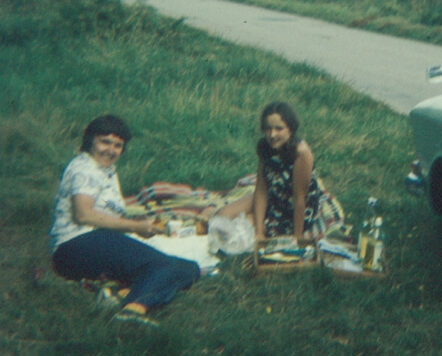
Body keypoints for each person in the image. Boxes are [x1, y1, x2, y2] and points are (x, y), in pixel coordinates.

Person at [50, 114, 200, 325]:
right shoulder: (84, 169)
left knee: (189, 268)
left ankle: (116, 294)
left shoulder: (106, 170)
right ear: (90, 140)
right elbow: (83, 214)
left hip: (97, 240)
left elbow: (108, 211)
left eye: (117, 145)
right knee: (163, 266)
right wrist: (135, 226)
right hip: (75, 245)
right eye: (105, 142)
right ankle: (132, 311)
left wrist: (142, 223)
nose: (110, 150)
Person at [216, 101, 321, 239]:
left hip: (293, 209)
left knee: (240, 228)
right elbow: (261, 189)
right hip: (274, 195)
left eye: (279, 128)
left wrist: (297, 238)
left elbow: (299, 199)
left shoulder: (300, 152)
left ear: (290, 128)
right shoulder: (265, 147)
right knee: (221, 218)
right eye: (268, 128)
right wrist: (259, 231)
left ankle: (258, 224)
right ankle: (255, 224)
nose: (272, 135)